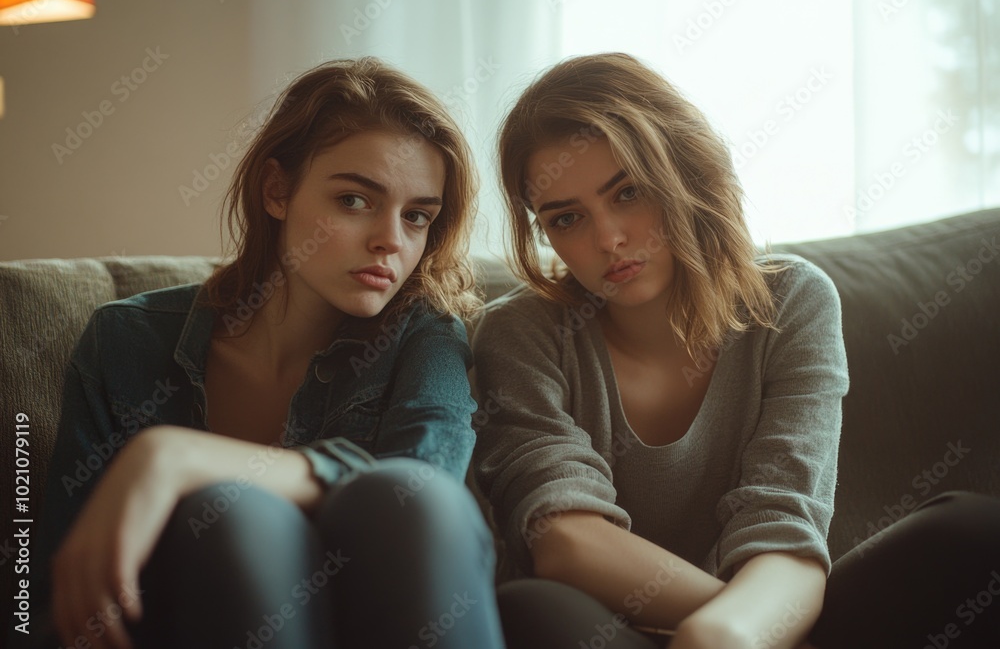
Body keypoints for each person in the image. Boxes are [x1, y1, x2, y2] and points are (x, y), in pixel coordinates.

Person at [471, 52, 1000, 649]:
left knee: (971, 534)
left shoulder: (792, 301)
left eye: (629, 193)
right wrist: (725, 633)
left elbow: (785, 524)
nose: (608, 239)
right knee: (531, 611)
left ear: (685, 171)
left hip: (773, 608)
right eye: (566, 219)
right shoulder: (517, 333)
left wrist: (729, 632)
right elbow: (565, 542)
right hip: (623, 630)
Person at [34, 57, 505, 649]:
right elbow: (43, 591)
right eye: (355, 201)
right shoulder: (124, 342)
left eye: (417, 216)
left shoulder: (425, 334)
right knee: (236, 515)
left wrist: (177, 456)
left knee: (403, 500)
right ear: (277, 191)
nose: (392, 238)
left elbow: (425, 481)